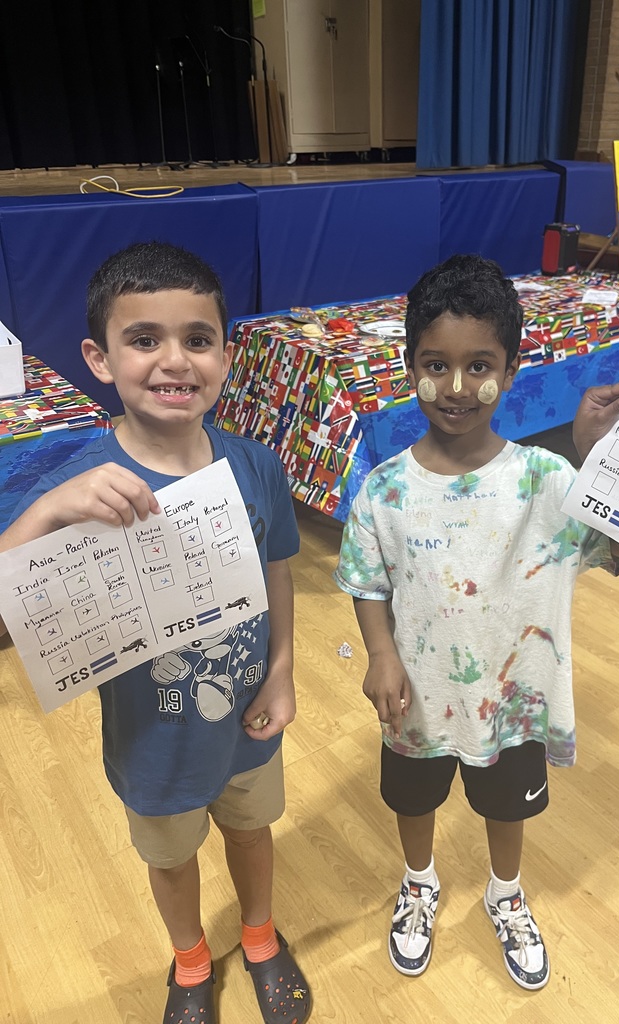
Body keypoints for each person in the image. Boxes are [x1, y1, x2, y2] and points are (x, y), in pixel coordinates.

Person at [0, 242, 311, 1024]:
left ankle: (262, 936)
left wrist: (281, 669)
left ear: (226, 356)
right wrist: (46, 513)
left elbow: (278, 570)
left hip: (247, 718)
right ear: (98, 358)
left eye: (198, 340)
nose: (175, 361)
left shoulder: (256, 466)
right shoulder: (76, 483)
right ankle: (191, 961)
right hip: (152, 737)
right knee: (169, 855)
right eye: (144, 340)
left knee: (252, 829)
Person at [333, 253, 619, 990]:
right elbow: (366, 581)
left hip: (514, 702)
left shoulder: (548, 481)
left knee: (507, 805)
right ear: (409, 366)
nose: (457, 388)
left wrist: (600, 460)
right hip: (415, 694)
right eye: (435, 365)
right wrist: (379, 652)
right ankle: (419, 881)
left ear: (513, 364)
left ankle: (506, 893)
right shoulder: (382, 489)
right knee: (414, 797)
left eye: (480, 365)